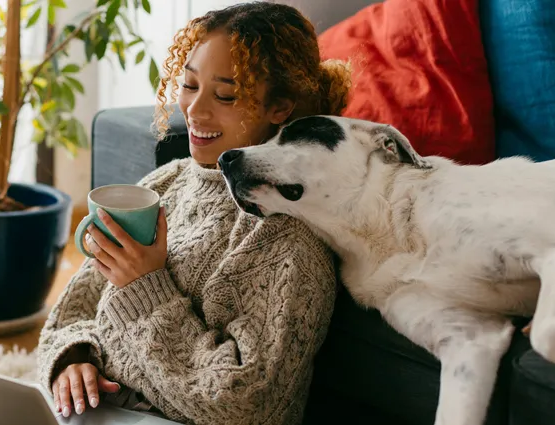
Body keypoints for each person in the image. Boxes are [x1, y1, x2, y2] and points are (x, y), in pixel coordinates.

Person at [37, 2, 352, 424]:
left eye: (225, 95)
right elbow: (70, 315)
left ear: (279, 107)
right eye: (188, 85)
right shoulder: (168, 182)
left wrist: (144, 287)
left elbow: (244, 404)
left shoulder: (288, 233)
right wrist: (72, 361)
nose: (195, 111)